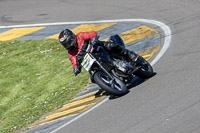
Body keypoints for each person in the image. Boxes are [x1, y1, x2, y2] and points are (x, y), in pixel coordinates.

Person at [58, 29, 139, 76]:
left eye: (68, 42)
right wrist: (76, 69)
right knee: (92, 76)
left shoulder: (80, 36)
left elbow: (91, 33)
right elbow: (74, 62)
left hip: (96, 48)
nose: (68, 45)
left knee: (111, 46)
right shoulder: (70, 53)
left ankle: (131, 55)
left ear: (72, 37)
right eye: (65, 44)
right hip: (91, 59)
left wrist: (93, 38)